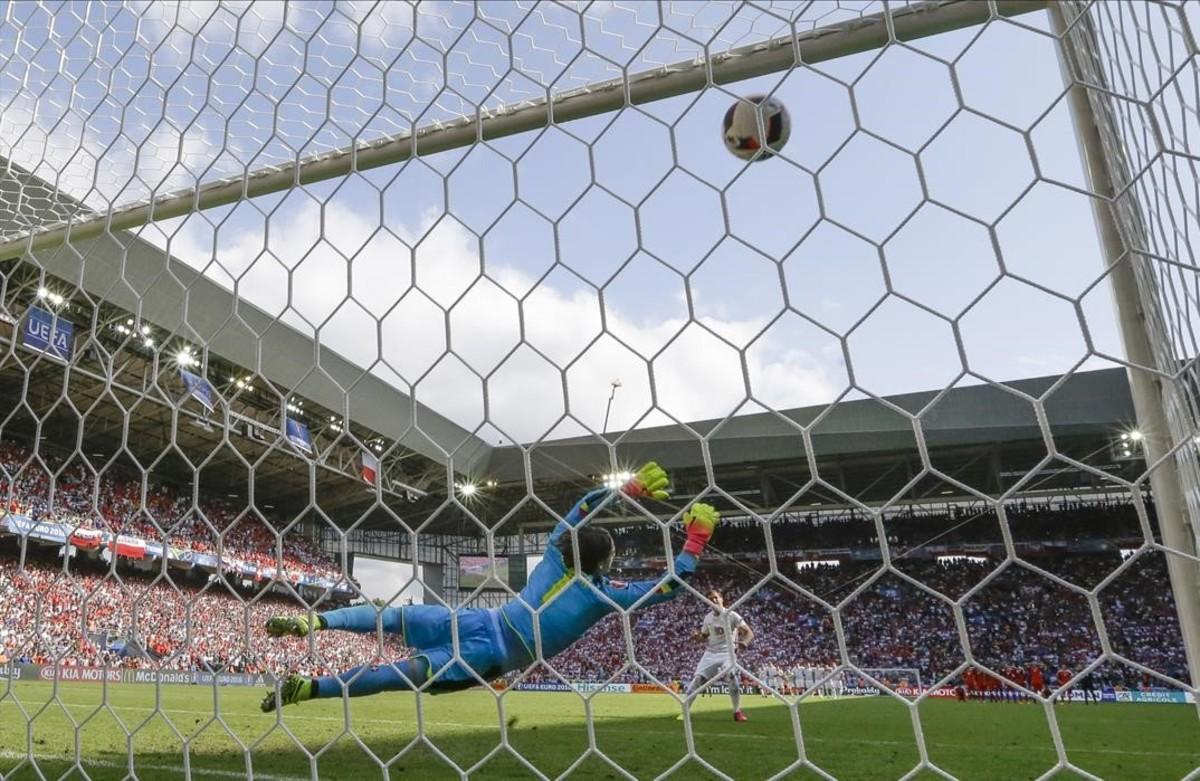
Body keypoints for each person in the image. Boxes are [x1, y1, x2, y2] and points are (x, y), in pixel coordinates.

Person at [259, 462, 720, 711]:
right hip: (493, 649)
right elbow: (671, 586)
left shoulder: (558, 554)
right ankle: (311, 687)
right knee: (399, 675)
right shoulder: (606, 594)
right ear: (607, 561)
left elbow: (581, 507)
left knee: (392, 617)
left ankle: (315, 621)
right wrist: (695, 539)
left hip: (481, 625)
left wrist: (626, 489)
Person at [679, 588, 754, 722]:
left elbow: (749, 632)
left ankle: (737, 712)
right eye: (710, 599)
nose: (713, 600)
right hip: (711, 653)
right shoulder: (708, 618)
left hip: (728, 653)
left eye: (715, 598)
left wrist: (745, 643)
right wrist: (697, 637)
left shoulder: (732, 615)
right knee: (698, 680)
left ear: (721, 599)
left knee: (732, 676)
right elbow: (704, 636)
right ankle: (685, 711)